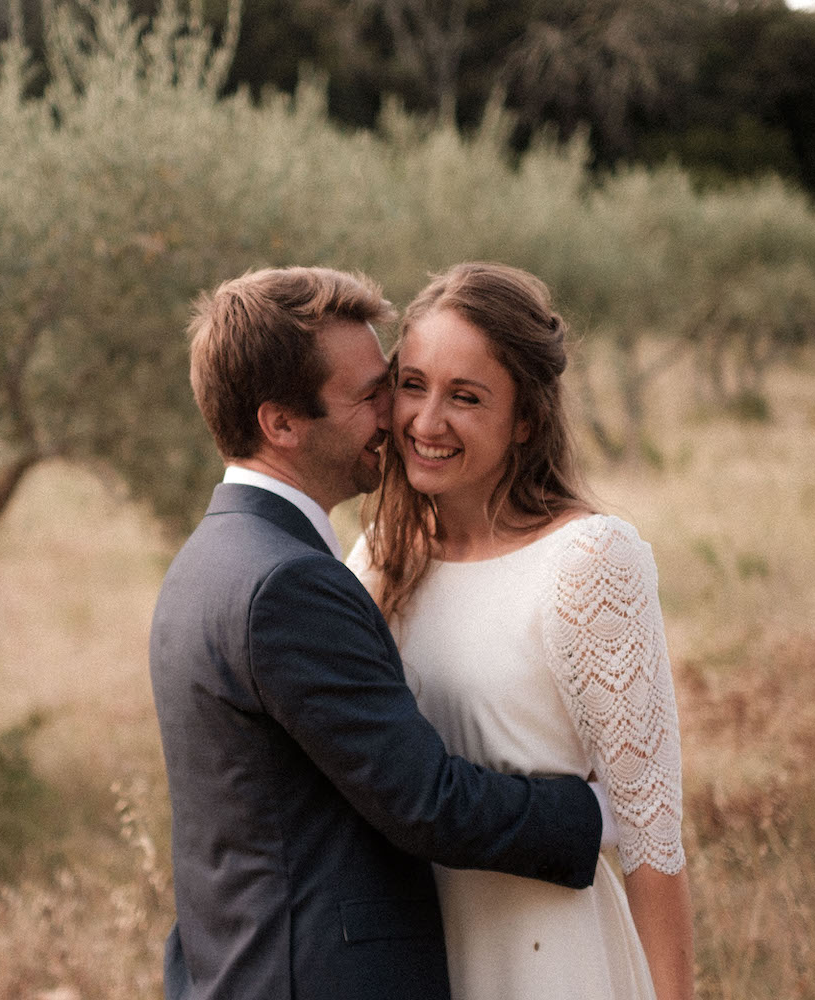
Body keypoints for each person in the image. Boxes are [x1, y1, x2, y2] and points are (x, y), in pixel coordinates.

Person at [149, 266, 610, 1000]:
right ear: (282, 424)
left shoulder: (208, 559)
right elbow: (424, 801)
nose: (395, 414)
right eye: (370, 394)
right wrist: (595, 812)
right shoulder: (287, 584)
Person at [349, 261, 695, 1000]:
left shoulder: (591, 560)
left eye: (466, 398)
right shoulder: (381, 555)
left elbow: (651, 832)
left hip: (552, 960)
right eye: (412, 384)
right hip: (416, 958)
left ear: (526, 420)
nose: (426, 422)